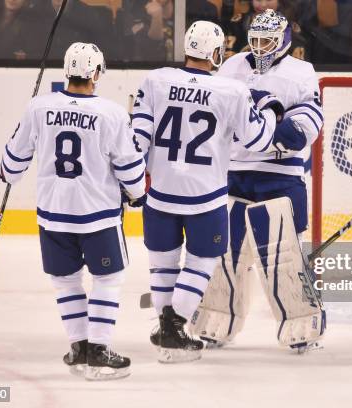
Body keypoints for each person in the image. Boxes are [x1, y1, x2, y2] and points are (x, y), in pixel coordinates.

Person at [131, 20, 285, 363]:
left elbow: (136, 139)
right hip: (206, 196)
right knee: (202, 261)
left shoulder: (155, 80)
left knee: (162, 265)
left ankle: (165, 325)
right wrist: (272, 111)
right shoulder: (231, 91)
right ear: (216, 53)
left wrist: (126, 182)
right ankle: (173, 327)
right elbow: (258, 140)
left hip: (161, 193)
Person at [0, 42, 146, 380]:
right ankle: (99, 349)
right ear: (96, 73)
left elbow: (13, 161)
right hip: (97, 215)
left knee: (65, 281)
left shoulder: (39, 107)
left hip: (53, 212)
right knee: (108, 278)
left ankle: (79, 346)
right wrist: (137, 194)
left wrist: (8, 172)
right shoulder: (111, 113)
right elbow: (129, 165)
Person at [191, 9, 326, 353]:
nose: (260, 47)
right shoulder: (233, 66)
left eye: (268, 41)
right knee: (224, 250)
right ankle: (218, 317)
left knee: (282, 256)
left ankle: (303, 321)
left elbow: (306, 122)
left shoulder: (301, 71)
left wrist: (273, 132)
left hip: (280, 177)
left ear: (283, 41)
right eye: (255, 40)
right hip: (234, 173)